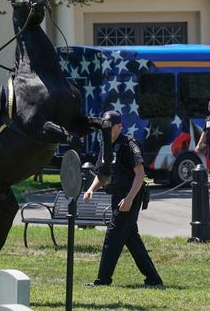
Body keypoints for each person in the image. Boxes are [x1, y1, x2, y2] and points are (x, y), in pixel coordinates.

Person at [83, 111, 163, 287]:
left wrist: (129, 199)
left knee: (113, 236)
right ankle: (153, 279)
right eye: (104, 127)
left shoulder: (129, 145)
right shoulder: (106, 146)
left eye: (109, 127)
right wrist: (91, 189)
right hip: (117, 195)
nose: (106, 130)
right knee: (130, 238)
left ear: (119, 127)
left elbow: (140, 174)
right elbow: (102, 174)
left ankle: (103, 280)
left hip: (130, 195)